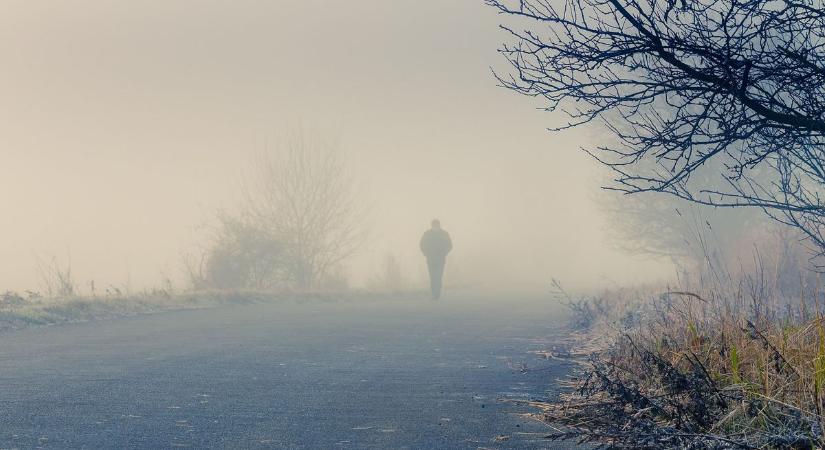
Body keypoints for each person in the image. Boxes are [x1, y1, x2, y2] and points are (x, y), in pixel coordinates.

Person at [419, 219, 452, 300]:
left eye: (436, 225)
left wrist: (444, 253)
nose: (435, 227)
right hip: (431, 259)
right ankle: (434, 293)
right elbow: (422, 245)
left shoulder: (444, 234)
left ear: (439, 225)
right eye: (434, 225)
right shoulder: (427, 234)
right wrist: (426, 254)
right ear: (432, 225)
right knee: (433, 277)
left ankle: (437, 293)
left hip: (440, 259)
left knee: (438, 276)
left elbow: (449, 245)